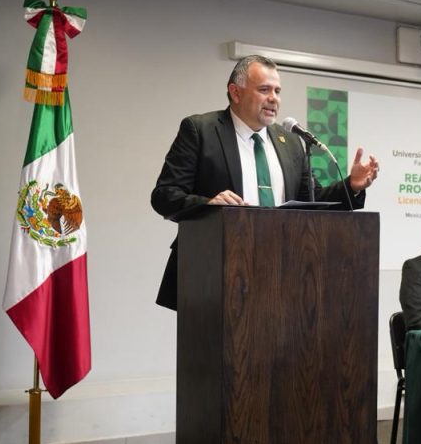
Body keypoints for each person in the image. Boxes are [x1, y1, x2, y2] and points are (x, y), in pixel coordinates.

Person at [150, 54, 380, 310]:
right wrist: (209, 204)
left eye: (277, 91)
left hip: (282, 272)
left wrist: (352, 186)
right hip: (214, 273)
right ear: (235, 93)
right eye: (264, 90)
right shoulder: (201, 130)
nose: (274, 98)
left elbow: (312, 202)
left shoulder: (291, 142)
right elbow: (164, 195)